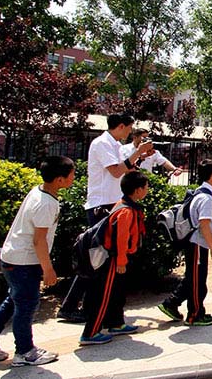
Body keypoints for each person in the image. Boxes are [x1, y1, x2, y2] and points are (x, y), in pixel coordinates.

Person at [0, 156, 74, 367]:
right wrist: (48, 269)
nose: (73, 178)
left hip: (13, 258)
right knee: (26, 306)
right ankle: (25, 352)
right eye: (71, 175)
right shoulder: (46, 204)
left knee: (13, 301)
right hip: (24, 262)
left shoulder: (39, 191)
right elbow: (39, 240)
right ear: (60, 180)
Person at [58, 113, 152, 323]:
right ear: (120, 126)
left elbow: (125, 171)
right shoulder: (102, 144)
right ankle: (86, 310)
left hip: (112, 206)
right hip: (101, 207)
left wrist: (139, 157)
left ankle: (78, 306)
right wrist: (137, 152)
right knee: (97, 261)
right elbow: (117, 172)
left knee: (98, 260)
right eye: (129, 128)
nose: (131, 133)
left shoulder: (116, 145)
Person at [79, 171, 148, 345]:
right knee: (105, 295)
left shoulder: (124, 204)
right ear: (138, 190)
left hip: (118, 258)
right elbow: (121, 239)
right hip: (114, 259)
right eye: (146, 187)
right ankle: (90, 332)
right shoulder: (126, 211)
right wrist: (121, 261)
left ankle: (116, 323)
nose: (148, 190)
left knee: (117, 293)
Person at [158, 160, 212, 326]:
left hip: (194, 242)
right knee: (197, 280)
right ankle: (195, 314)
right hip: (197, 243)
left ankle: (171, 303)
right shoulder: (206, 198)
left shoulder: (199, 192)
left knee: (192, 277)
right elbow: (204, 223)